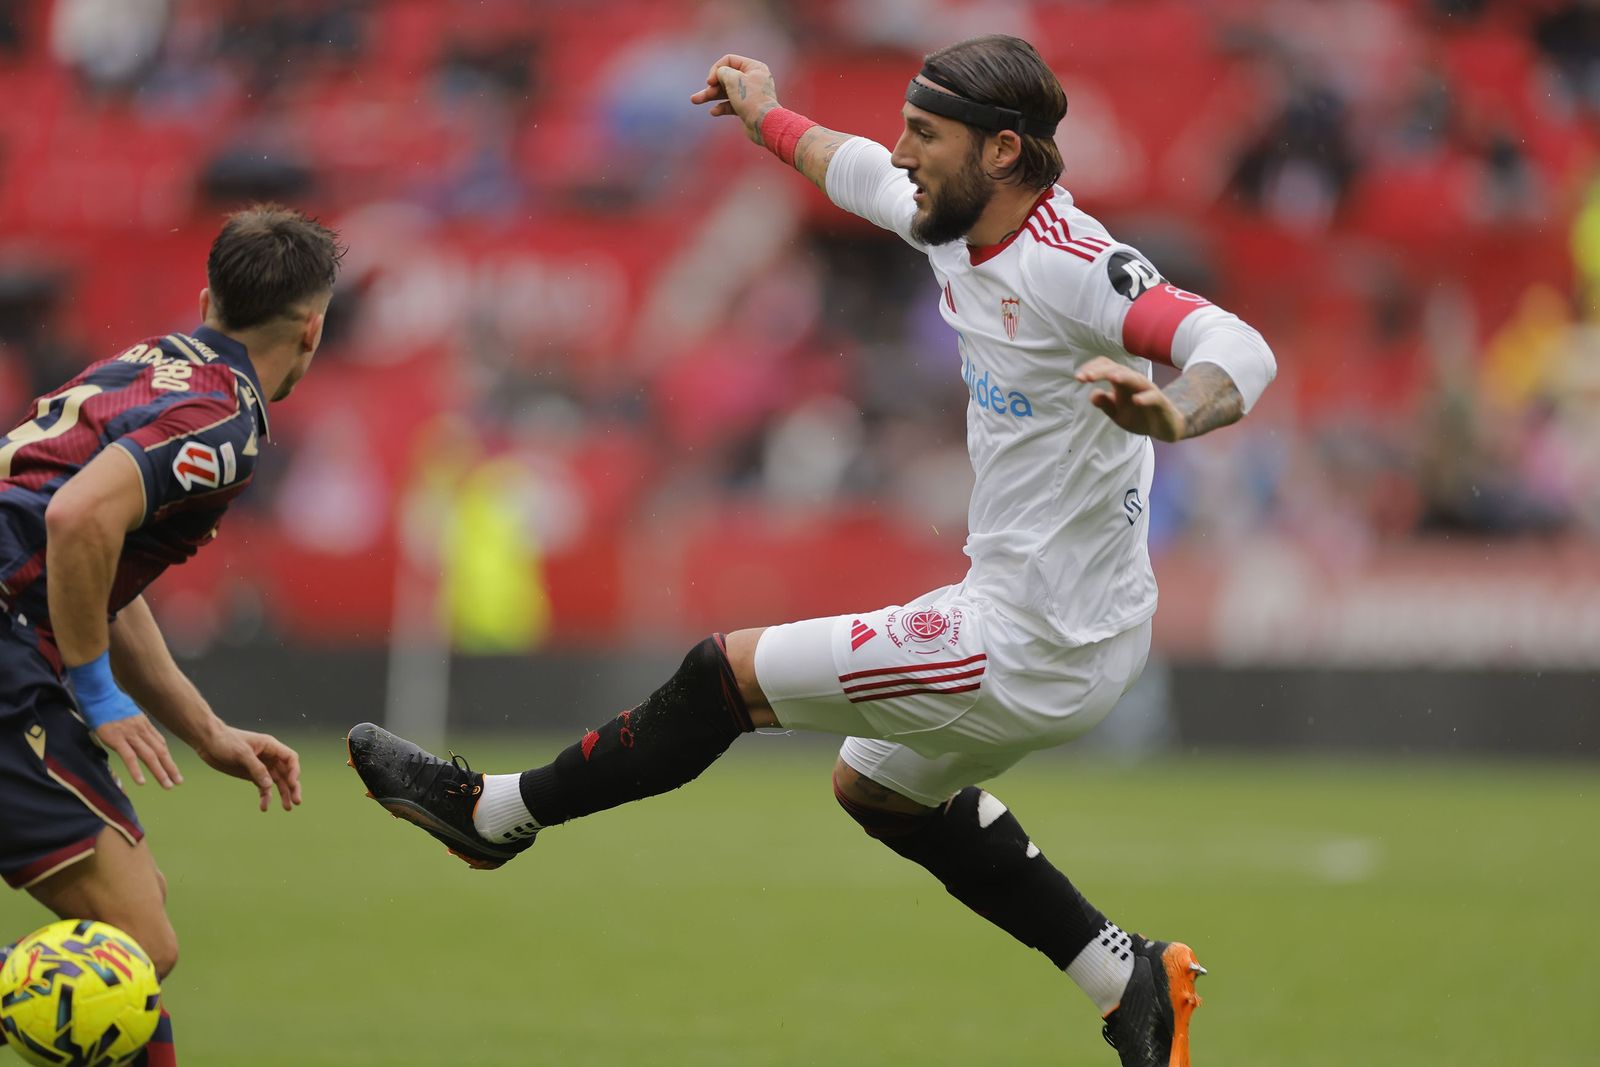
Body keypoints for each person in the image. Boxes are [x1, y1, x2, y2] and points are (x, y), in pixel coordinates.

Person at [347, 35, 1275, 1067]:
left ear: (1004, 150)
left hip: (1032, 639)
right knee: (876, 789)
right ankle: (1126, 977)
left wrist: (1173, 409)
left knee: (723, 672)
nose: (903, 150)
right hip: (1061, 623)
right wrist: (764, 115)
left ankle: (497, 813)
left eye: (926, 133)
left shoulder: (1069, 262)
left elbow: (1237, 347)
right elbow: (856, 168)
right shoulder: (950, 214)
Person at [0, 204, 340, 1066]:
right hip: (5, 639)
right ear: (312, 327)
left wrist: (206, 729)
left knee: (132, 926)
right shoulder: (223, 422)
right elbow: (77, 520)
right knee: (135, 947)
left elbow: (99, 565)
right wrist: (96, 688)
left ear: (206, 299)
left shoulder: (151, 365)